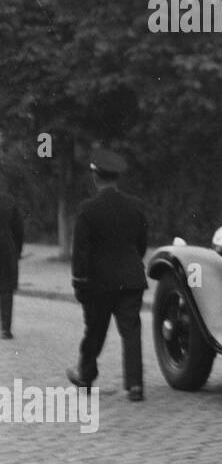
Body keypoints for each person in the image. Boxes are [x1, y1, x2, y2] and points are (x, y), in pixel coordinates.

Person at [67, 148, 149, 401]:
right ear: (117, 177)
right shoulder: (135, 205)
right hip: (131, 278)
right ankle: (135, 386)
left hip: (98, 283)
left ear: (96, 177)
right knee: (131, 332)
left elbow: (80, 251)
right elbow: (142, 244)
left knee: (94, 331)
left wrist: (79, 282)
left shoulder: (87, 209)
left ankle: (86, 377)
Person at [0, 176, 23, 339]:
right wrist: (17, 252)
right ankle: (5, 329)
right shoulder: (9, 201)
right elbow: (19, 230)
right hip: (6, 250)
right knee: (6, 289)